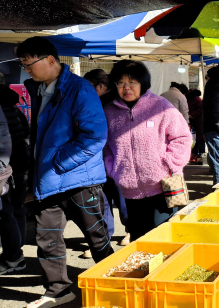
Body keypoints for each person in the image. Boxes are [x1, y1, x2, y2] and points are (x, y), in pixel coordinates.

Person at [18, 36, 112, 308]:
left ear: (50, 60)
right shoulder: (38, 89)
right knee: (47, 240)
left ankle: (114, 284)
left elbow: (95, 137)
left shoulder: (80, 89)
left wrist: (57, 163)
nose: (27, 70)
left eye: (29, 64)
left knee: (97, 238)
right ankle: (57, 291)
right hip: (47, 180)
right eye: (23, 65)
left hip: (77, 180)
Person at [103, 60, 191, 241]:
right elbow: (104, 146)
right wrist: (113, 168)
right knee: (139, 239)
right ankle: (145, 271)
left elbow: (182, 137)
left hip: (162, 186)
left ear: (142, 83)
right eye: (121, 83)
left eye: (132, 82)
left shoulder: (160, 106)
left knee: (162, 237)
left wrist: (168, 164)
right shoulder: (109, 111)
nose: (126, 88)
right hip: (128, 189)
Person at [83, 69, 130, 256]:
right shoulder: (89, 102)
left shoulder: (116, 104)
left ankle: (130, 231)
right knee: (102, 200)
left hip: (117, 157)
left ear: (100, 86)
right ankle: (105, 237)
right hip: (96, 158)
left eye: (89, 87)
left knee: (122, 197)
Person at [0, 83, 29, 276]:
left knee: (6, 212)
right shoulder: (15, 109)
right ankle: (16, 252)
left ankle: (14, 255)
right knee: (16, 208)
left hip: (8, 167)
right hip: (21, 163)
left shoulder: (2, 111)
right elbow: (26, 133)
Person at [186, 89, 204, 164]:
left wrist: (192, 115)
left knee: (198, 139)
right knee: (195, 139)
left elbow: (201, 109)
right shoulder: (194, 98)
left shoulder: (195, 99)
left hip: (198, 122)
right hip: (195, 122)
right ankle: (196, 156)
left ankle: (198, 156)